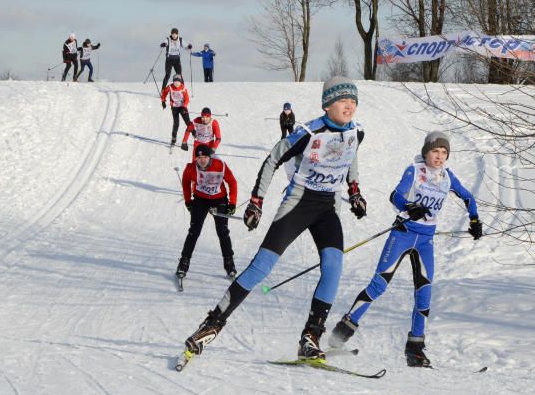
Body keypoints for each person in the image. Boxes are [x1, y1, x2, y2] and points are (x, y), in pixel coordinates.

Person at [182, 76, 368, 361]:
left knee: (334, 266)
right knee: (262, 267)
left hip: (328, 208)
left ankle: (311, 336)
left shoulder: (357, 131)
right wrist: (256, 201)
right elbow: (273, 158)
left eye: (353, 101)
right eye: (343, 100)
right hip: (299, 204)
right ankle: (211, 325)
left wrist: (354, 191)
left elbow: (350, 154)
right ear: (327, 104)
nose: (350, 106)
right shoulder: (308, 132)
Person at [327, 131, 483, 368]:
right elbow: (396, 195)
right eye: (435, 151)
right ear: (426, 152)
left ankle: (415, 350)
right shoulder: (415, 170)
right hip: (403, 235)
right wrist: (409, 206)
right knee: (379, 285)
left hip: (425, 241)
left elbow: (468, 197)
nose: (439, 157)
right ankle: (340, 335)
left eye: (443, 152)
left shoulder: (447, 176)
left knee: (424, 294)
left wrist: (474, 221)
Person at [177, 144, 238, 281]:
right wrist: (188, 201)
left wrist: (232, 203)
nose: (202, 160)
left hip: (219, 199)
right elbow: (186, 182)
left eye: (204, 157)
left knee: (222, 232)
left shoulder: (220, 165)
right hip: (201, 200)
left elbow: (232, 182)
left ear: (209, 157)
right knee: (194, 231)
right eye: (199, 157)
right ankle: (183, 263)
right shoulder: (191, 168)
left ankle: (229, 264)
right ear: (196, 158)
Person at [160, 74, 191, 146]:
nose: (176, 83)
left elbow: (187, 99)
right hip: (174, 108)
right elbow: (164, 92)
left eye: (178, 82)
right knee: (176, 123)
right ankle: (174, 137)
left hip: (182, 107)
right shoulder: (170, 87)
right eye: (175, 81)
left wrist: (184, 106)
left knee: (188, 122)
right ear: (173, 82)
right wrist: (163, 101)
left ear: (180, 82)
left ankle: (194, 134)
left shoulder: (183, 88)